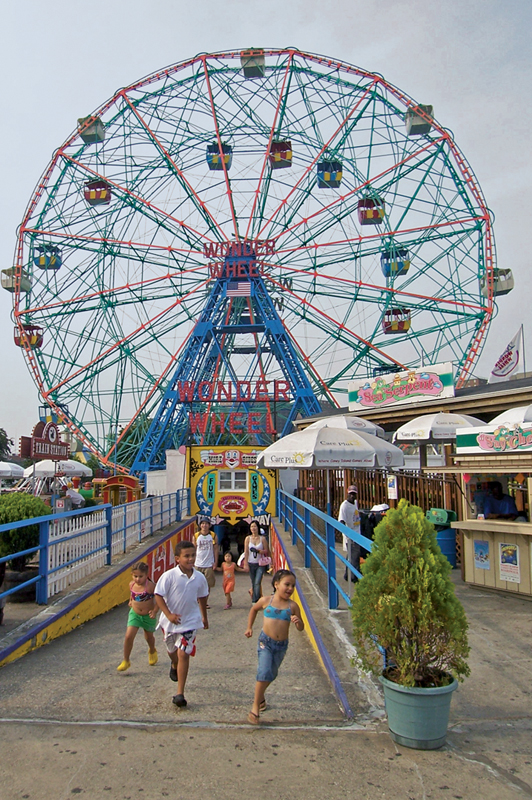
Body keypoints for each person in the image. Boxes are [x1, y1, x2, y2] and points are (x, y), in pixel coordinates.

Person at [244, 568, 304, 725]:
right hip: (266, 643)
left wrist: (298, 623)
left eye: (293, 586)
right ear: (276, 584)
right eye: (287, 584)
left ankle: (260, 696)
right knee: (264, 671)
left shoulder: (293, 606)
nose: (290, 589)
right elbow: (254, 609)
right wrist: (249, 627)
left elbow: (301, 627)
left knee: (272, 674)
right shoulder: (266, 601)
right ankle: (255, 707)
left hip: (281, 646)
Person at [154, 539, 209, 708]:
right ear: (178, 558)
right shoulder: (169, 576)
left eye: (193, 555)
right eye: (186, 556)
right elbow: (158, 595)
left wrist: (204, 617)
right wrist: (168, 614)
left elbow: (202, 597)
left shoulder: (200, 578)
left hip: (190, 622)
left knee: (183, 654)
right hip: (169, 623)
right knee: (172, 651)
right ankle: (173, 664)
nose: (191, 559)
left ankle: (180, 693)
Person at [117, 561, 158, 672]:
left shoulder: (150, 586)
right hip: (134, 614)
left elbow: (159, 599)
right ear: (132, 575)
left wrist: (154, 611)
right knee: (128, 636)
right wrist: (131, 601)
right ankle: (126, 660)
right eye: (135, 576)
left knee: (148, 637)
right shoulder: (131, 584)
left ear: (146, 575)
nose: (138, 579)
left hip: (147, 615)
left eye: (141, 576)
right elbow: (132, 594)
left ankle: (152, 650)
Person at [337, 484, 361, 582]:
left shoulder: (355, 503)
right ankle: (353, 576)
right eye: (350, 494)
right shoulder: (344, 506)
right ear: (347, 493)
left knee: (352, 555)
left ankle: (348, 574)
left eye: (354, 494)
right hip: (351, 535)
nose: (352, 496)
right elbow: (341, 521)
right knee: (354, 556)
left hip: (357, 533)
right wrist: (346, 534)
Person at [193, 519, 218, 607]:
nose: (204, 525)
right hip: (198, 563)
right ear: (200, 525)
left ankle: (205, 602)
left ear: (209, 525)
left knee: (208, 584)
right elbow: (194, 549)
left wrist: (215, 562)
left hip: (209, 563)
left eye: (206, 524)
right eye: (203, 524)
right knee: (196, 584)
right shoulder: (196, 535)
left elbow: (215, 549)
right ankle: (196, 600)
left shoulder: (213, 535)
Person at [244, 520, 270, 603]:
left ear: (258, 528)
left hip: (260, 563)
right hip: (251, 562)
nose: (253, 528)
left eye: (255, 526)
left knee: (257, 582)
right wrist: (245, 563)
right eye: (251, 526)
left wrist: (261, 551)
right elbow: (246, 551)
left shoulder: (262, 539)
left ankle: (255, 601)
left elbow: (267, 550)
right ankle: (255, 596)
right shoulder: (248, 538)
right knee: (253, 582)